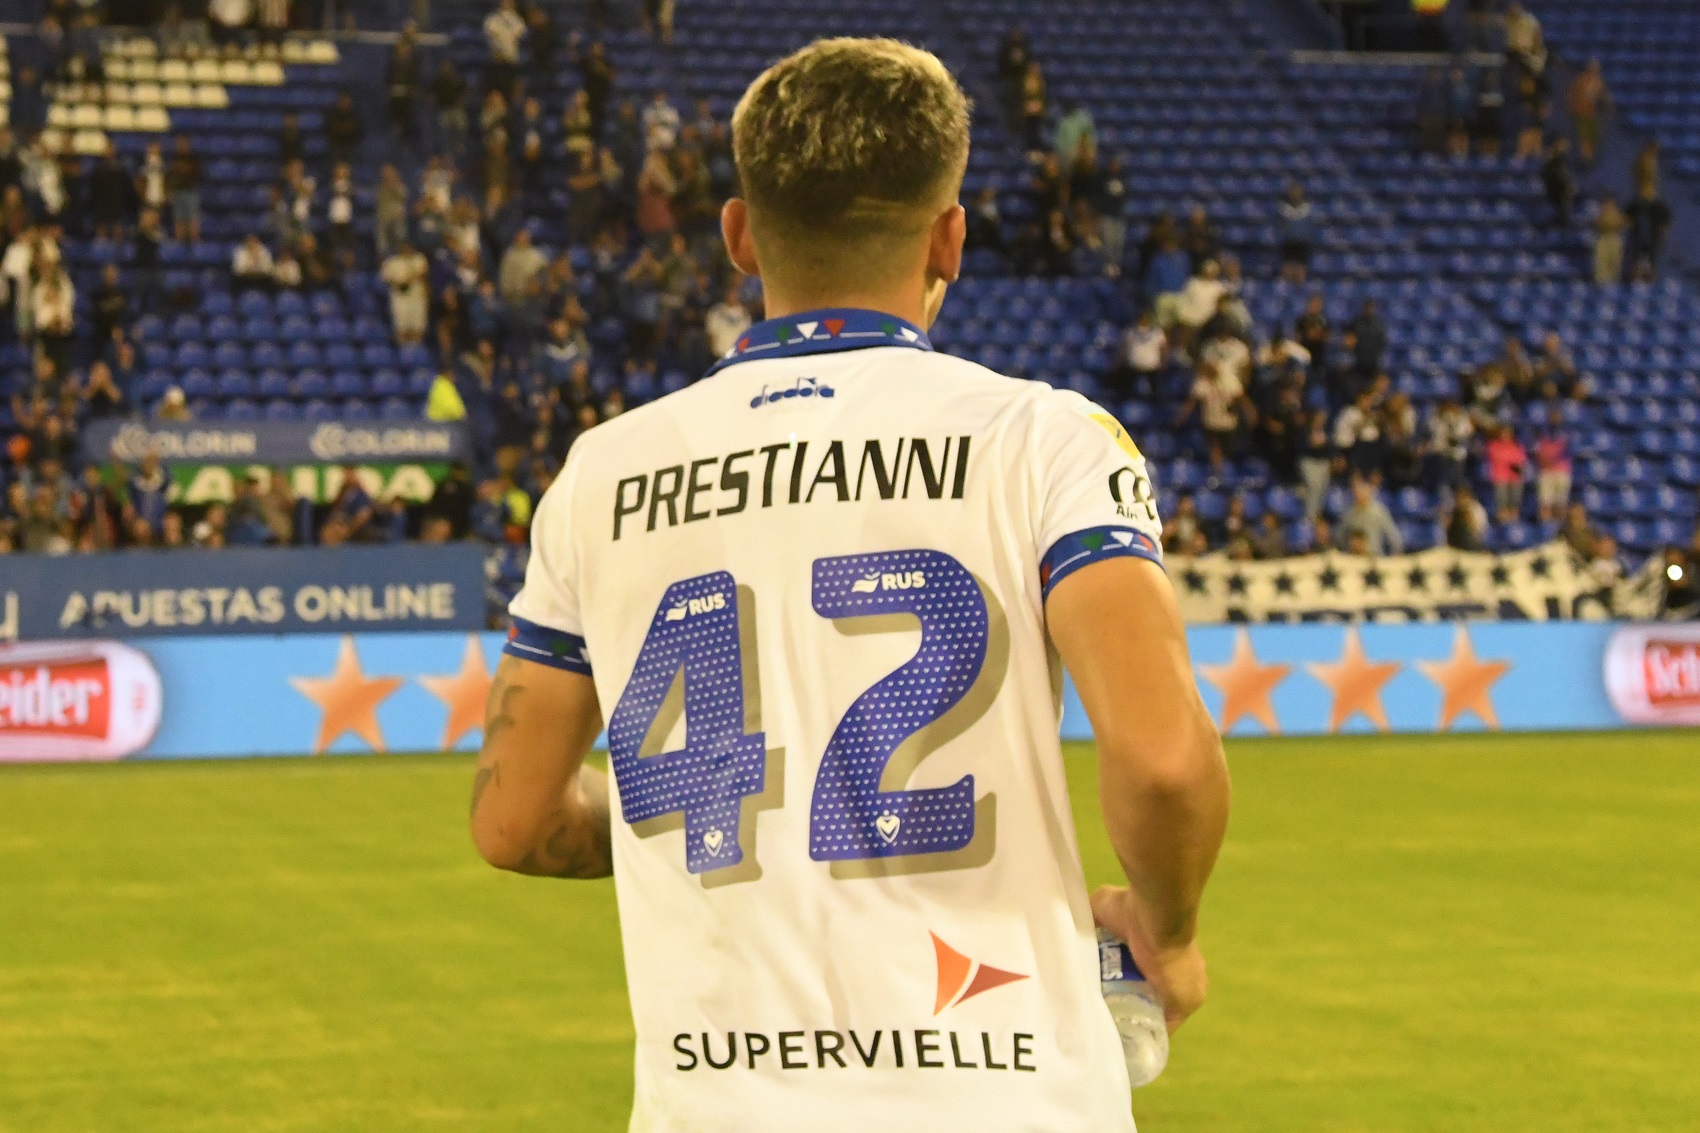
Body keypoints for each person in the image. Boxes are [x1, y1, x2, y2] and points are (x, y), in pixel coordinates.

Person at [471, 38, 1227, 1133]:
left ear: (739, 234)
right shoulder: (1043, 440)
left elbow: (511, 817)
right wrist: (1170, 930)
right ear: (949, 238)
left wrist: (694, 829)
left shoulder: (603, 472)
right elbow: (1162, 761)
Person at [1566, 59, 1610, 169]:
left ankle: (1590, 156)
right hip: (1581, 113)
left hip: (1592, 113)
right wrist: (1573, 107)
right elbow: (1571, 94)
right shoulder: (1581, 80)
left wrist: (1607, 103)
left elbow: (1603, 96)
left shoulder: (1598, 82)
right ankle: (1586, 159)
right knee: (1584, 137)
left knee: (1594, 137)